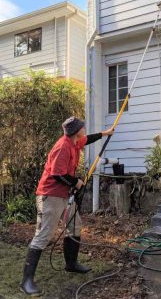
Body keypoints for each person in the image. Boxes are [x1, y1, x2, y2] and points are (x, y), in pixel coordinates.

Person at [20, 116, 114, 296]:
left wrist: (105, 133)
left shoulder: (75, 141)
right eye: (82, 127)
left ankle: (71, 264)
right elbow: (57, 174)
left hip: (65, 195)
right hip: (50, 196)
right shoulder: (63, 147)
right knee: (43, 235)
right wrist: (76, 182)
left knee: (75, 226)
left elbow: (88, 139)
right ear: (77, 131)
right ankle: (26, 281)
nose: (84, 129)